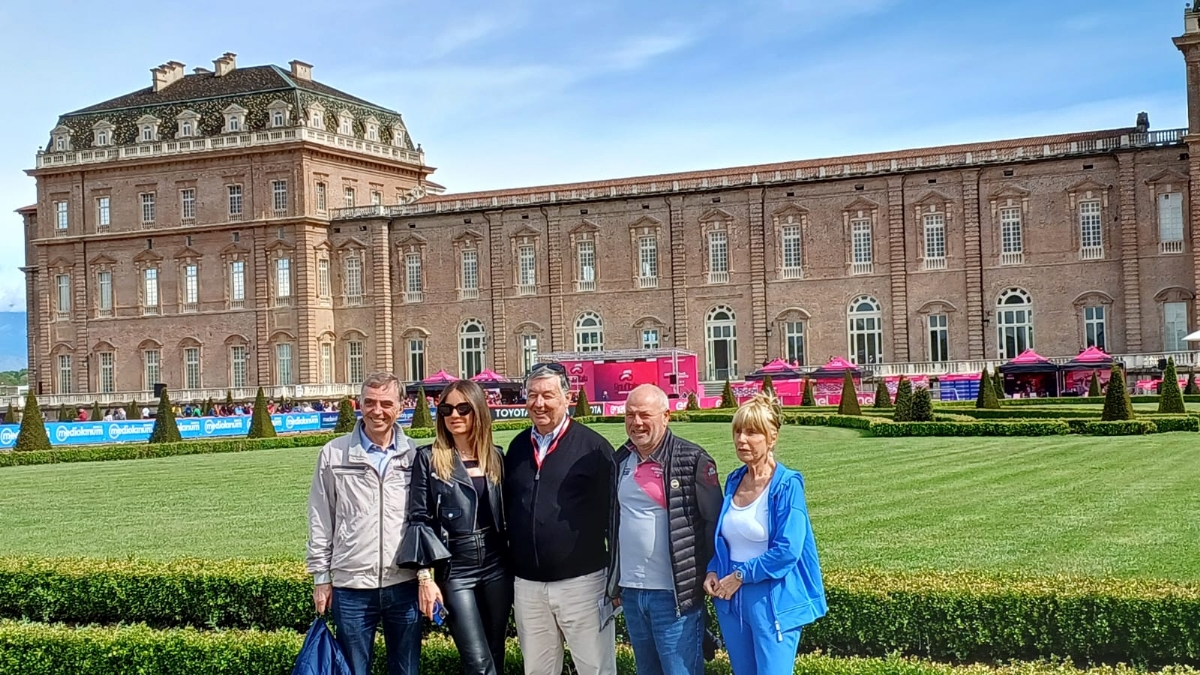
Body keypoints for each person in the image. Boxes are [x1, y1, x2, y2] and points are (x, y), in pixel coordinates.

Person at [503, 363, 616, 675]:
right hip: (529, 587)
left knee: (595, 668)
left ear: (567, 397)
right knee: (538, 670)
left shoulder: (593, 448)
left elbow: (614, 519)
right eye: (532, 395)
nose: (539, 404)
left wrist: (616, 579)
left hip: (582, 583)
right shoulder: (516, 448)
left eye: (548, 396)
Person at [306, 371, 422, 675]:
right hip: (352, 585)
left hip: (403, 582)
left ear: (400, 407)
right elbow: (321, 516)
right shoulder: (334, 453)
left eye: (386, 403)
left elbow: (424, 520)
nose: (377, 411)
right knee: (355, 671)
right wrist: (321, 577)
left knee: (407, 670)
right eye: (370, 402)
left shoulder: (415, 455)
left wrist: (425, 574)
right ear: (359, 404)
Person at [705, 393, 826, 675]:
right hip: (732, 601)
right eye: (737, 431)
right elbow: (726, 538)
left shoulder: (787, 485)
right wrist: (713, 569)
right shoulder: (734, 480)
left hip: (772, 600)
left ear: (771, 438)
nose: (741, 440)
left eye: (751, 432)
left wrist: (740, 576)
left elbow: (787, 551)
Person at [605, 384, 722, 675]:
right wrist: (617, 580)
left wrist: (709, 571)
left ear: (666, 416)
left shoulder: (692, 459)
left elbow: (714, 522)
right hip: (632, 593)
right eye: (630, 414)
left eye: (645, 414)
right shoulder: (621, 460)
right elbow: (614, 523)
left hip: (673, 595)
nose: (636, 422)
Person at [399, 380, 512, 675]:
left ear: (478, 412)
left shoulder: (496, 457)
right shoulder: (429, 458)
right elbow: (418, 519)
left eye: (463, 408)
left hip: (497, 564)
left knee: (495, 653)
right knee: (477, 662)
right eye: (446, 409)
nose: (454, 415)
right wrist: (425, 577)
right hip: (455, 568)